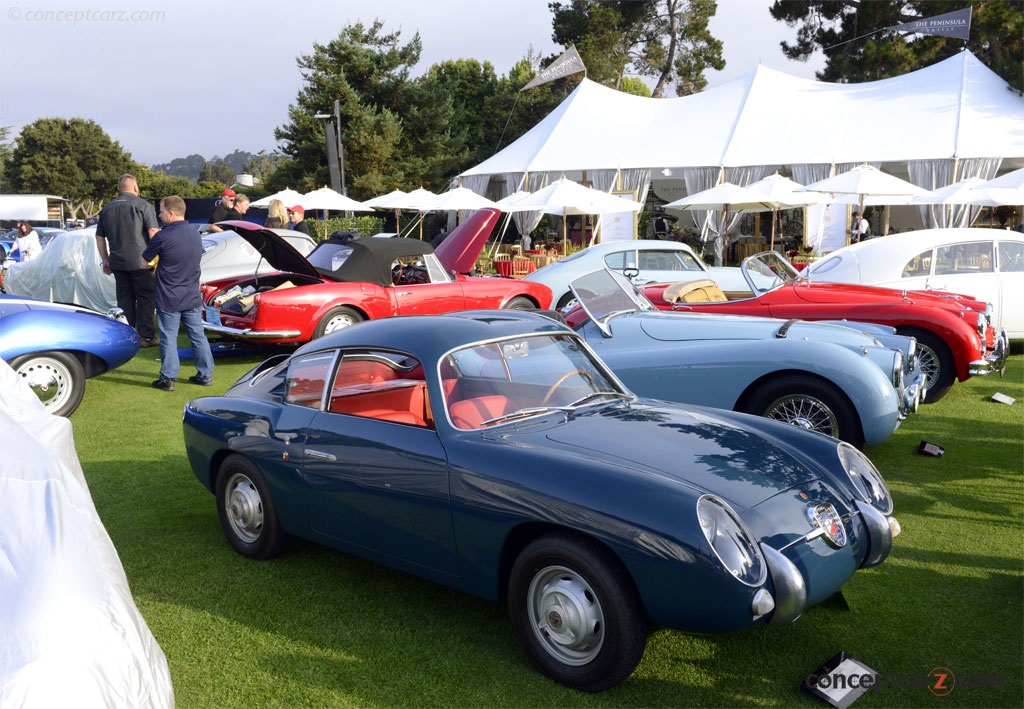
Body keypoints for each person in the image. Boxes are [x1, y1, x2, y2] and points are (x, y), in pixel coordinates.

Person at [142, 196, 214, 391]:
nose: (159, 214)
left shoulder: (162, 236)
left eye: (162, 211)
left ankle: (168, 378)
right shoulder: (195, 235)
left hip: (168, 296)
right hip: (191, 295)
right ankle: (205, 374)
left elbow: (144, 261)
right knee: (198, 335)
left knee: (168, 337)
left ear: (171, 214)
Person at [95, 173, 161, 346]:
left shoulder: (107, 209)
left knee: (124, 299)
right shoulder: (143, 206)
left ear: (119, 189)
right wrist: (160, 256)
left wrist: (105, 259)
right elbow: (153, 232)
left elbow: (99, 237)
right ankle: (146, 337)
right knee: (145, 298)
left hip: (117, 262)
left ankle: (128, 335)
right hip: (142, 262)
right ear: (136, 188)